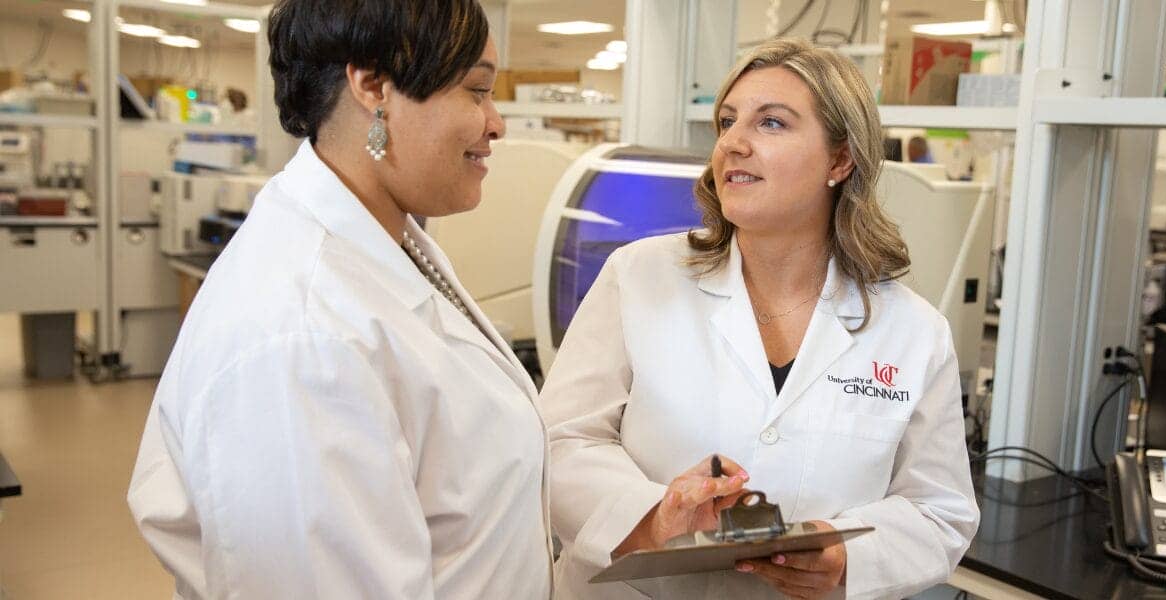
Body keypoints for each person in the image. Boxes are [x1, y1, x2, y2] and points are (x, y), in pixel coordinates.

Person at [126, 1, 552, 597]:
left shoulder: (385, 241)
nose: (496, 122)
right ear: (373, 84)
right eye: (476, 90)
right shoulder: (304, 339)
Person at [541, 38, 978, 599]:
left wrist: (849, 557)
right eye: (727, 121)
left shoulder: (912, 330)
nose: (733, 143)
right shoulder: (639, 275)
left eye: (771, 123)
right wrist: (653, 518)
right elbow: (561, 441)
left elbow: (939, 511)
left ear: (840, 159)